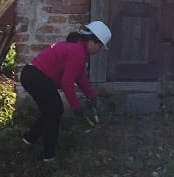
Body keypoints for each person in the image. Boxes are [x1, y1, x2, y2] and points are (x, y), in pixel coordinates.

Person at [20, 22, 111, 160]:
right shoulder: (77, 52)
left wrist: (91, 96)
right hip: (36, 76)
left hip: (33, 75)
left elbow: (80, 77)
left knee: (51, 111)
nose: (98, 50)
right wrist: (75, 107)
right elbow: (67, 83)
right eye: (99, 47)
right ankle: (49, 157)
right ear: (92, 41)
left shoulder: (80, 50)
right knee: (55, 111)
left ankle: (28, 141)